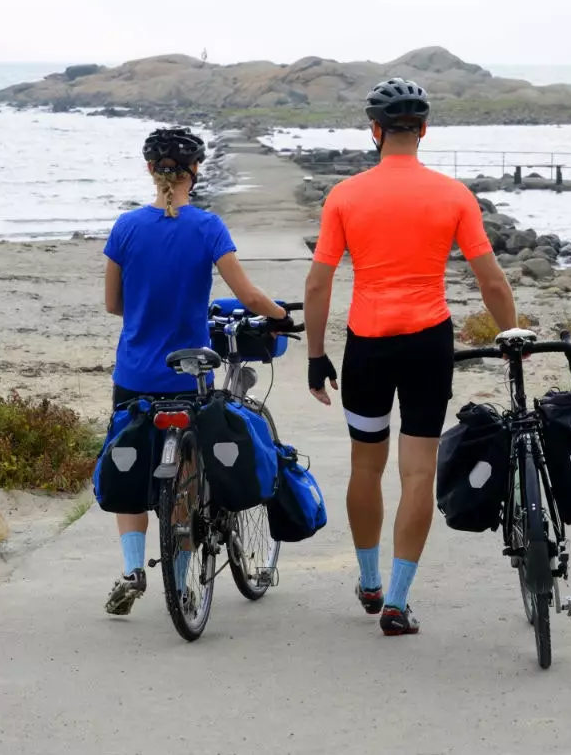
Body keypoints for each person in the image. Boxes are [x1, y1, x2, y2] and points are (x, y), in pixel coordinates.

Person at [303, 78, 518, 635]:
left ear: (374, 131)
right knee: (418, 471)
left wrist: (315, 354)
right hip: (428, 343)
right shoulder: (453, 195)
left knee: (365, 465)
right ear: (423, 130)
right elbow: (491, 281)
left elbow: (319, 285)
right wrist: (511, 333)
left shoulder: (346, 195)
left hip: (367, 344)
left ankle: (369, 581)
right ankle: (397, 601)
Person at [102, 126, 293, 616]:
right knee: (188, 475)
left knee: (130, 463)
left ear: (150, 170)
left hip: (136, 372)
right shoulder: (208, 227)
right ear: (196, 172)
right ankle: (183, 582)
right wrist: (280, 316)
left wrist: (149, 314)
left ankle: (131, 569)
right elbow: (248, 296)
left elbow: (112, 304)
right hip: (190, 375)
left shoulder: (125, 228)